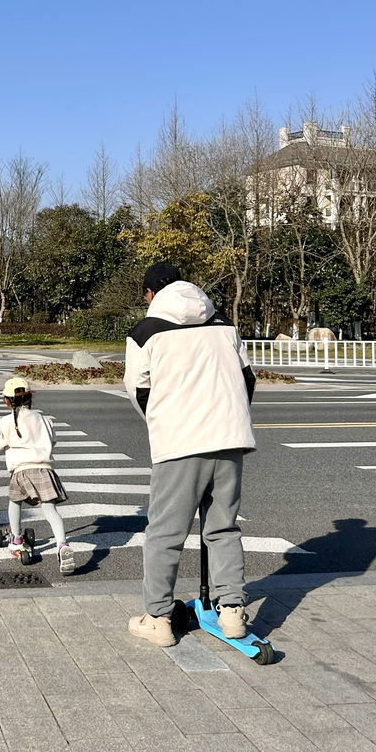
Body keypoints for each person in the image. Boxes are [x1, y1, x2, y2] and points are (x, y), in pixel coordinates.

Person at [124, 262, 256, 647]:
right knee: (223, 527)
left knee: (165, 533)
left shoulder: (145, 332)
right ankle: (232, 612)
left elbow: (138, 390)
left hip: (180, 442)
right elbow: (247, 378)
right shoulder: (223, 324)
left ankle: (159, 618)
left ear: (150, 295)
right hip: (230, 438)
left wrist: (166, 420)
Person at [0, 376, 75, 574]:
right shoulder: (44, 419)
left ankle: (16, 539)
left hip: (21, 471)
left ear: (7, 401)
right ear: (29, 399)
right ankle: (62, 545)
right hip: (45, 469)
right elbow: (53, 441)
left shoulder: (7, 421)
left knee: (15, 503)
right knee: (50, 510)